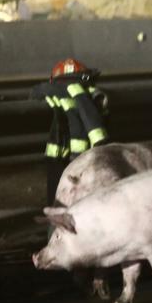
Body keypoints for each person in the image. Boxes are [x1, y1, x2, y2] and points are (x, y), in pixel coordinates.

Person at [32, 58, 108, 204]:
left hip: (58, 156)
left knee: (57, 199)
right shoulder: (89, 97)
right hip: (84, 156)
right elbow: (97, 130)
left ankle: (55, 222)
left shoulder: (47, 92)